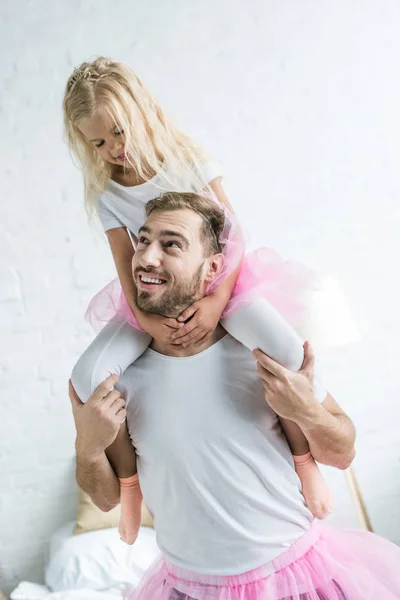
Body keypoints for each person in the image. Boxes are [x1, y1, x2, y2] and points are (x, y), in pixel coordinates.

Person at [69, 194, 400, 599]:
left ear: (212, 268)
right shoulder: (114, 375)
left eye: (171, 244)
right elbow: (105, 500)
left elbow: (343, 452)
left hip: (295, 580)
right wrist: (87, 448)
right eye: (142, 241)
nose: (146, 258)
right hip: (186, 588)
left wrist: (307, 412)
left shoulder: (258, 348)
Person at [64, 57, 332, 543]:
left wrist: (214, 306)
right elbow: (127, 265)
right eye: (97, 142)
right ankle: (130, 488)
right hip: (150, 299)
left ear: (141, 115)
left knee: (290, 355)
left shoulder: (187, 161)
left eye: (118, 134)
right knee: (87, 377)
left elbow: (234, 237)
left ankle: (303, 458)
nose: (112, 150)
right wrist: (148, 323)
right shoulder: (107, 193)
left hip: (223, 282)